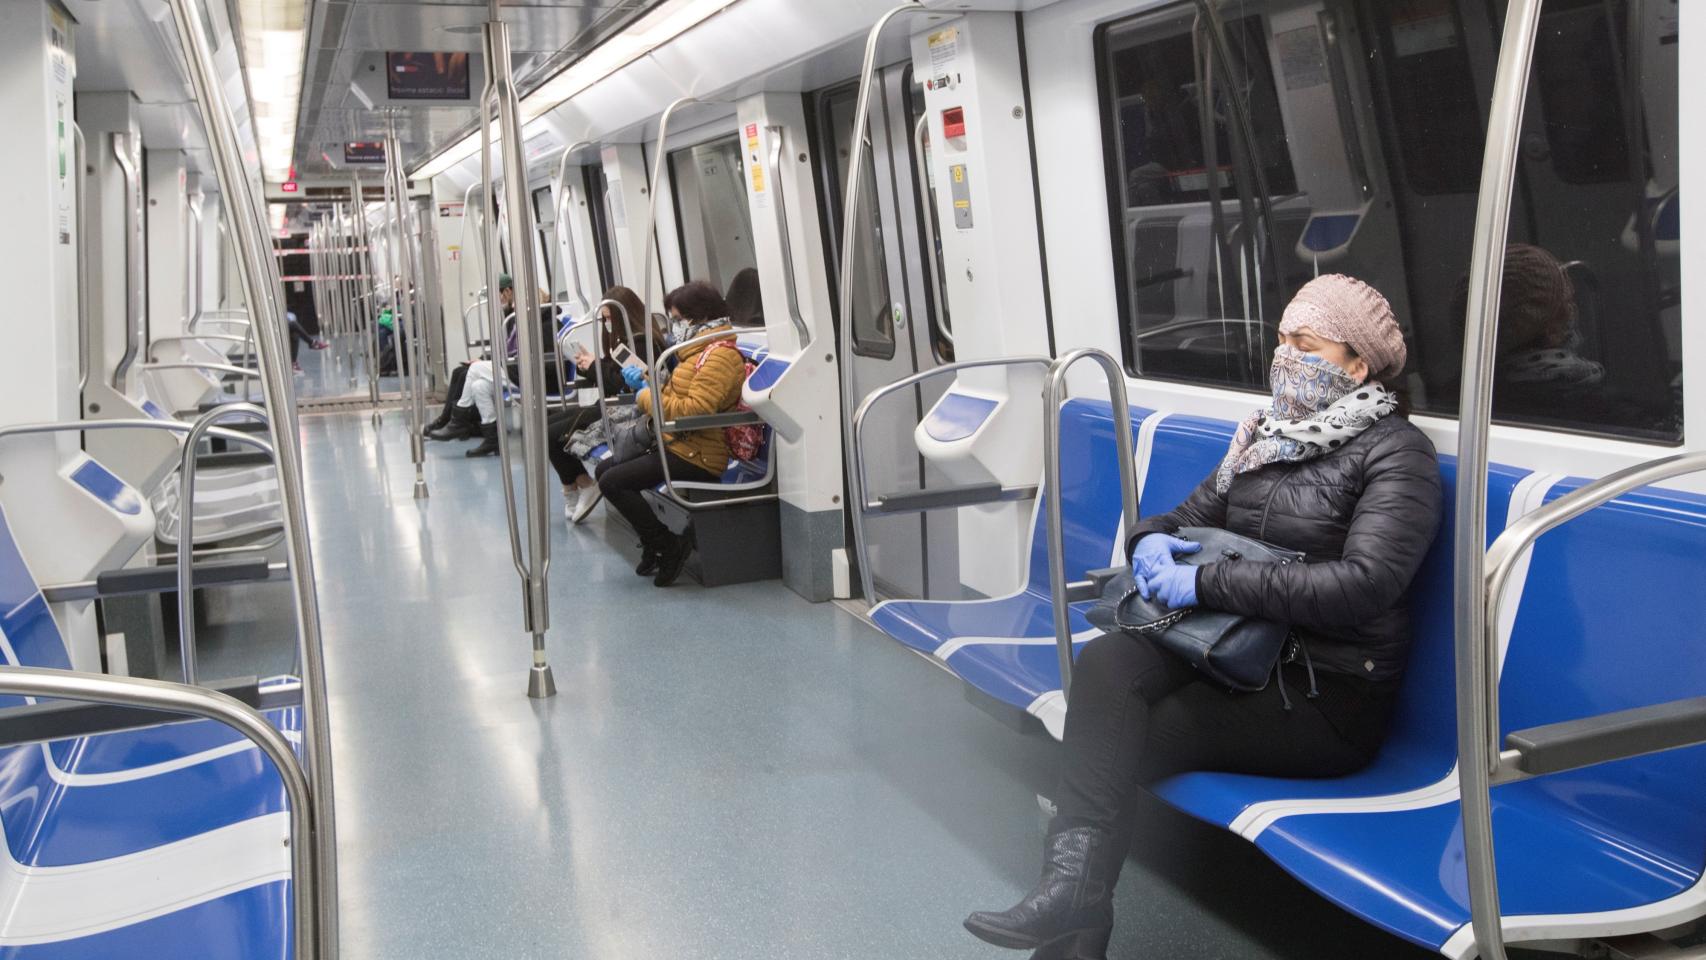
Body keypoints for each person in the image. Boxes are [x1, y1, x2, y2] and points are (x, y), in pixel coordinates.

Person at [962, 275, 1442, 959]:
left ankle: (1076, 917)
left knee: (1114, 736)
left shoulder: (1397, 454)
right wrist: (1147, 540)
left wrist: (1207, 583)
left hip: (1323, 691)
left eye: (1305, 343)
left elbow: (1364, 586)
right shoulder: (1265, 437)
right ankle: (1075, 900)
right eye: (1281, 338)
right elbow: (1182, 520)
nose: (1285, 355)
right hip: (1232, 653)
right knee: (1108, 664)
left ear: (1359, 364)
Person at [595, 281, 746, 586]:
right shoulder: (698, 352)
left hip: (700, 453)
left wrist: (645, 395)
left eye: (678, 319)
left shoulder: (720, 357)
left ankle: (667, 545)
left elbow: (694, 409)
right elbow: (677, 394)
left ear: (698, 317)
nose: (674, 326)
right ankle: (656, 544)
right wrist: (648, 380)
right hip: (680, 442)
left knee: (614, 482)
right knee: (604, 470)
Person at [547, 285, 661, 524]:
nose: (607, 324)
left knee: (551, 434)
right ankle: (580, 483)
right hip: (612, 402)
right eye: (604, 319)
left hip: (626, 408)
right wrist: (590, 366)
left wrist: (595, 366)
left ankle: (577, 487)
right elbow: (612, 376)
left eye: (609, 319)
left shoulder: (642, 342)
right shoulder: (622, 340)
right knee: (546, 426)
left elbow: (626, 383)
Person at [438, 274, 562, 458]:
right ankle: (492, 439)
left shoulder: (545, 325)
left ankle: (458, 421)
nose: (513, 308)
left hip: (532, 376)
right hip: (518, 370)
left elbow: (546, 363)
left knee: (474, 370)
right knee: (478, 386)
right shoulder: (523, 323)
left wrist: (496, 362)